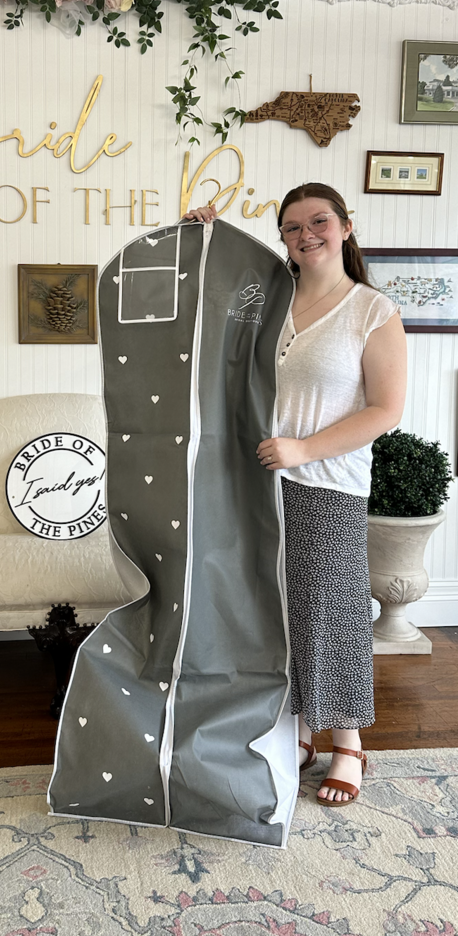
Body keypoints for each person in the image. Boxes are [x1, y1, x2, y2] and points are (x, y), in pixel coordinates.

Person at [184, 183, 407, 804]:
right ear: (281, 238)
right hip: (252, 483)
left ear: (345, 226)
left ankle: (348, 744)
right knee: (270, 613)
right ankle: (298, 728)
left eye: (319, 221)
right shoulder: (268, 301)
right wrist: (203, 236)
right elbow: (206, 307)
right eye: (291, 227)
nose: (306, 234)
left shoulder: (372, 311)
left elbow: (386, 410)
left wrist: (304, 449)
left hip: (326, 486)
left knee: (328, 615)